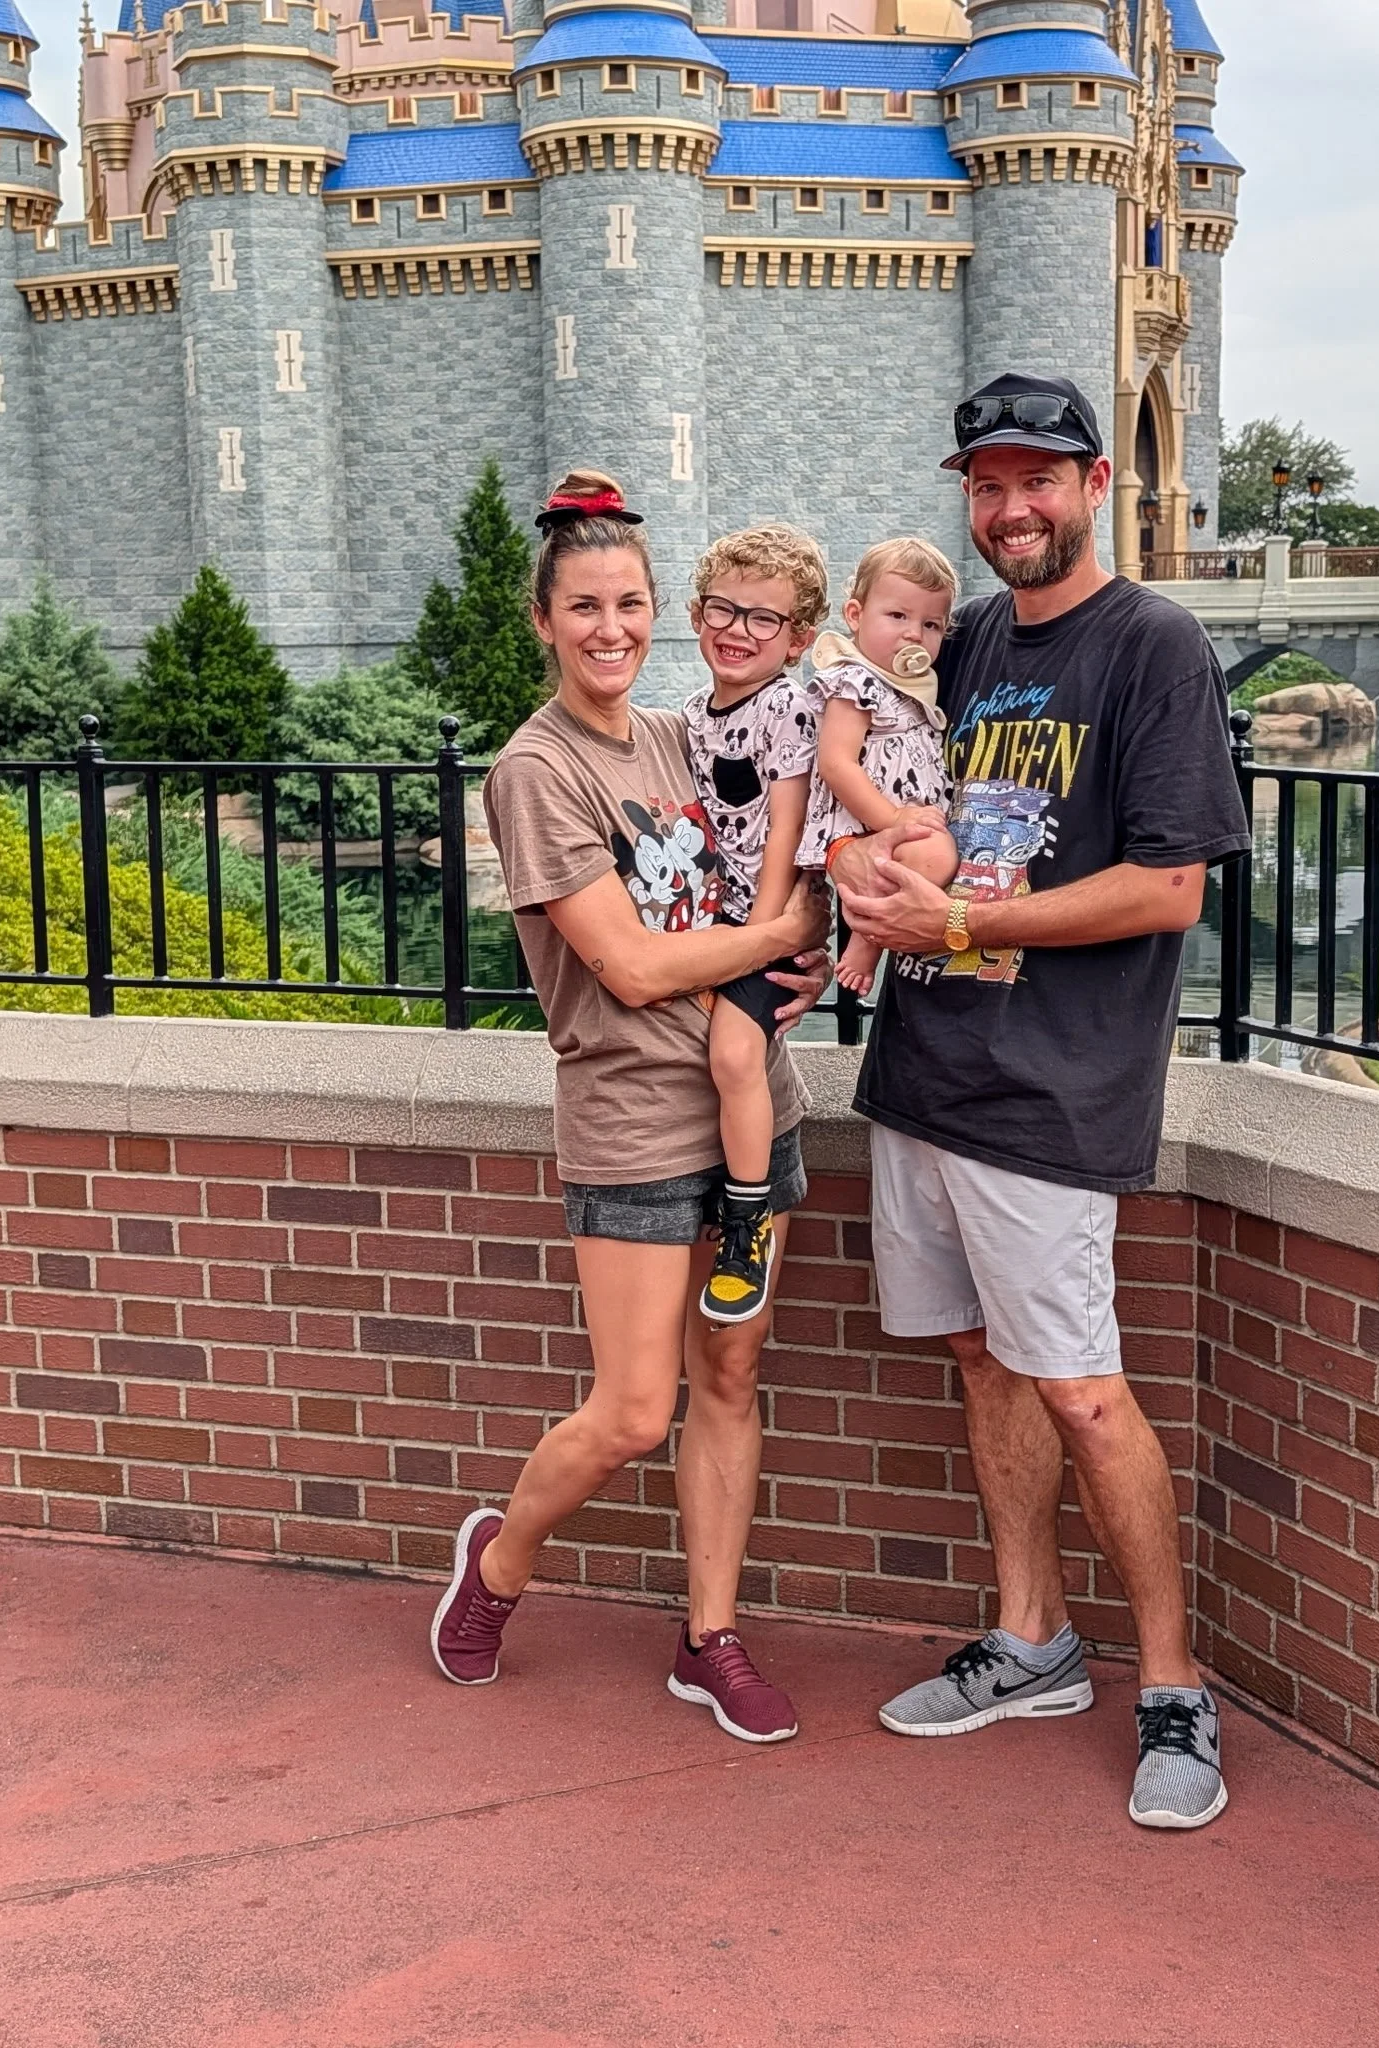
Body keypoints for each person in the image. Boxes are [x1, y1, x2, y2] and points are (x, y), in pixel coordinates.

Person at [834, 373, 1251, 1830]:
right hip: (928, 1069)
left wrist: (951, 929)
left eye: (1038, 481)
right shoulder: (974, 641)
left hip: (1052, 1090)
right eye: (987, 483)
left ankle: (1172, 1686)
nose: (1011, 508)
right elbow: (946, 820)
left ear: (1091, 486)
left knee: (1078, 1384)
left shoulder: (1152, 646)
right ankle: (1030, 1642)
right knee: (983, 1366)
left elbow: (1166, 883)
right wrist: (889, 874)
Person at [431, 469, 831, 1745]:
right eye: (587, 607)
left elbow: (793, 827)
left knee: (732, 1372)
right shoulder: (536, 770)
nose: (614, 627)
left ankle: (709, 1633)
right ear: (542, 620)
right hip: (635, 1122)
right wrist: (777, 934)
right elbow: (638, 964)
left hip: (753, 1100)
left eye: (634, 603)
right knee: (631, 1408)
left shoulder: (674, 737)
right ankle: (499, 1558)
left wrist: (808, 942)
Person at [681, 525, 827, 1327]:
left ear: (799, 638)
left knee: (736, 1051)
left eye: (763, 618)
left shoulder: (789, 712)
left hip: (765, 916)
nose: (738, 629)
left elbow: (784, 833)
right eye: (723, 609)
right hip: (712, 915)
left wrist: (761, 934)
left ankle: (748, 1223)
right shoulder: (692, 713)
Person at [795, 539, 962, 996]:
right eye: (898, 616)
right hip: (858, 825)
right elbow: (836, 763)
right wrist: (892, 819)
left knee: (937, 857)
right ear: (855, 616)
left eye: (931, 624)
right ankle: (869, 939)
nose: (914, 634)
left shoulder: (910, 684)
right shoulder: (855, 680)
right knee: (935, 857)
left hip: (891, 824)